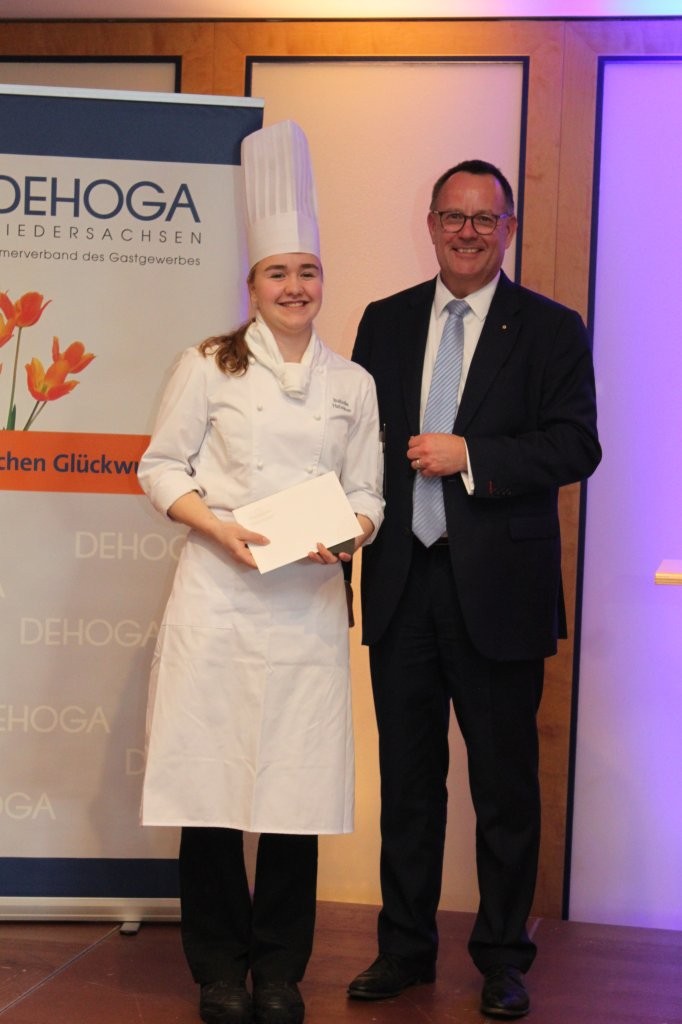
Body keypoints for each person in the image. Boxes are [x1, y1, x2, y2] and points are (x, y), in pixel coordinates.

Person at [137, 120, 384, 1024]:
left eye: (308, 272)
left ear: (323, 280)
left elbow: (369, 492)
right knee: (208, 789)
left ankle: (279, 972)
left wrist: (347, 536)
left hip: (306, 604)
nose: (295, 287)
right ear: (253, 284)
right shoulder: (207, 366)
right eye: (279, 273)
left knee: (293, 791)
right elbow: (160, 467)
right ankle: (217, 970)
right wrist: (222, 528)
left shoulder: (351, 384)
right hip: (218, 598)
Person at [345, 159, 601, 1019]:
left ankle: (501, 958)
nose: (467, 232)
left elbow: (576, 446)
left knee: (504, 789)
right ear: (430, 225)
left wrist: (472, 456)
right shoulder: (383, 321)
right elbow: (353, 445)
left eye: (485, 219)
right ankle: (404, 949)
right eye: (453, 217)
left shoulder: (551, 329)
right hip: (401, 582)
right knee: (408, 786)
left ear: (509, 230)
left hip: (499, 590)